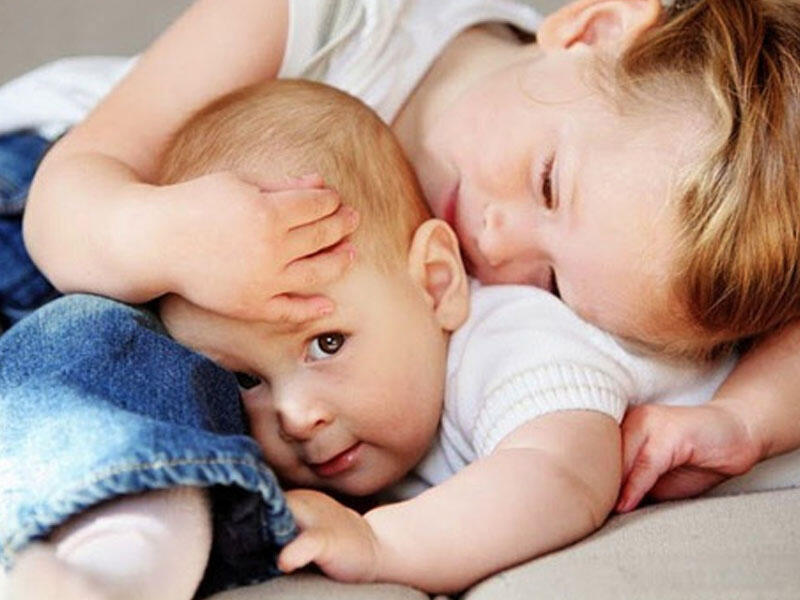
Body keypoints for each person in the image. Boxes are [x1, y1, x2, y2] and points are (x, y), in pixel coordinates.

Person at [12, 0, 800, 513]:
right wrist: (168, 236)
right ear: (592, 30)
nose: (497, 242)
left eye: (552, 281)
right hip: (44, 199)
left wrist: (743, 420)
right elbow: (66, 203)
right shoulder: (334, 22)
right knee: (108, 343)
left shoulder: (654, 260)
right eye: (548, 184)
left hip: (225, 366)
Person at [4, 75, 739, 598]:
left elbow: (561, 476)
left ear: (437, 284)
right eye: (245, 378)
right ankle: (100, 566)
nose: (296, 416)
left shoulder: (511, 342)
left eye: (327, 343)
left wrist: (387, 543)